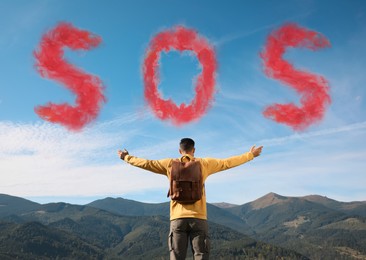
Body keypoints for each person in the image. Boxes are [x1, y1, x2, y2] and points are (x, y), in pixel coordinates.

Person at [118, 138, 263, 260]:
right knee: (201, 256)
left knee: (177, 256)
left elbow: (146, 163)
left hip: (177, 219)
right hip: (199, 219)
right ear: (194, 150)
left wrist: (126, 157)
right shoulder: (204, 164)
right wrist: (250, 155)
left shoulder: (169, 164)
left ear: (179, 151)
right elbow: (227, 162)